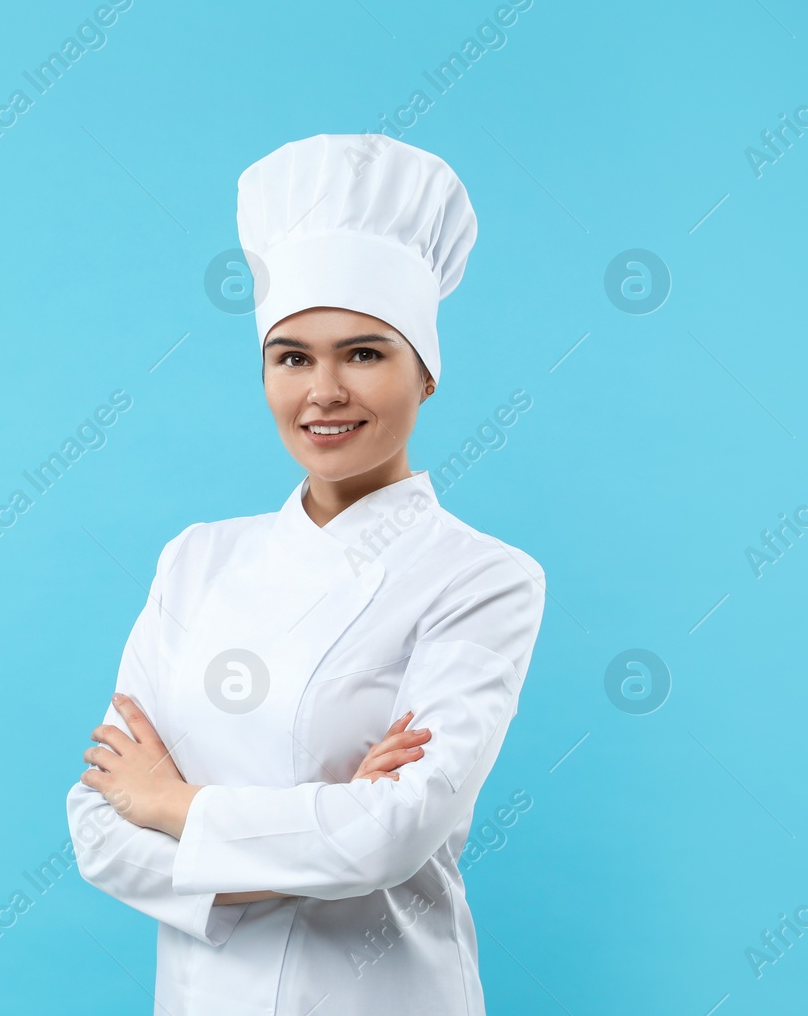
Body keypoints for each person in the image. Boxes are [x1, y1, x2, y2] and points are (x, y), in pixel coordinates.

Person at [65, 133, 546, 1015]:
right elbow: (98, 826)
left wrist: (174, 803)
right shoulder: (197, 558)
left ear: (427, 372)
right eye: (292, 357)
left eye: (364, 353)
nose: (323, 391)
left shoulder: (483, 578)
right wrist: (323, 828)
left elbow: (395, 832)